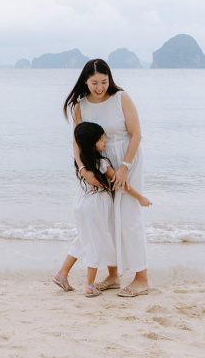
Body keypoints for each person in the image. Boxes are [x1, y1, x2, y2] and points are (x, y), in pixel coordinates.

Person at [58, 59, 151, 297]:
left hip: (127, 158)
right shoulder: (81, 106)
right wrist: (83, 169)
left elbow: (136, 134)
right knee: (106, 218)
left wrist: (124, 167)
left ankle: (141, 279)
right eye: (94, 83)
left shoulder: (121, 98)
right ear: (85, 82)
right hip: (100, 162)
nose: (100, 87)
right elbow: (77, 142)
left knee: (128, 216)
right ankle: (112, 275)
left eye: (104, 82)